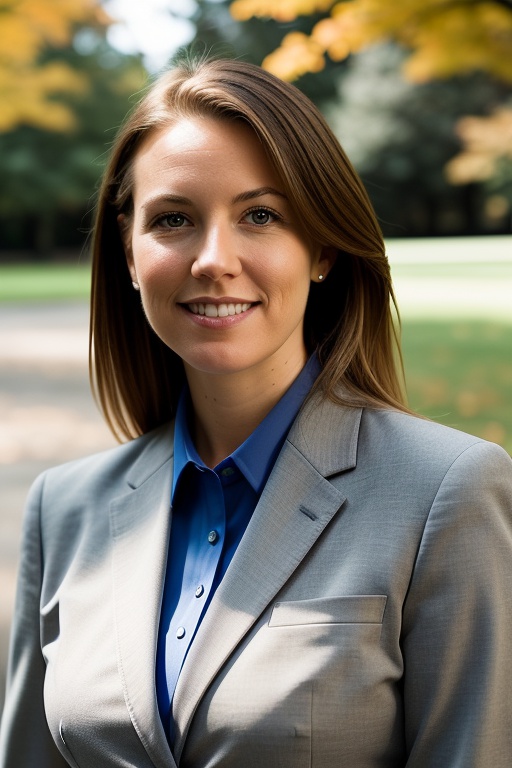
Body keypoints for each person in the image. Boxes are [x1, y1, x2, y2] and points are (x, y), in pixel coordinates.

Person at [1, 57, 511, 768]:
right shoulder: (63, 510)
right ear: (128, 249)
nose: (213, 259)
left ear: (323, 246)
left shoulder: (446, 496)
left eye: (261, 216)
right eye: (173, 219)